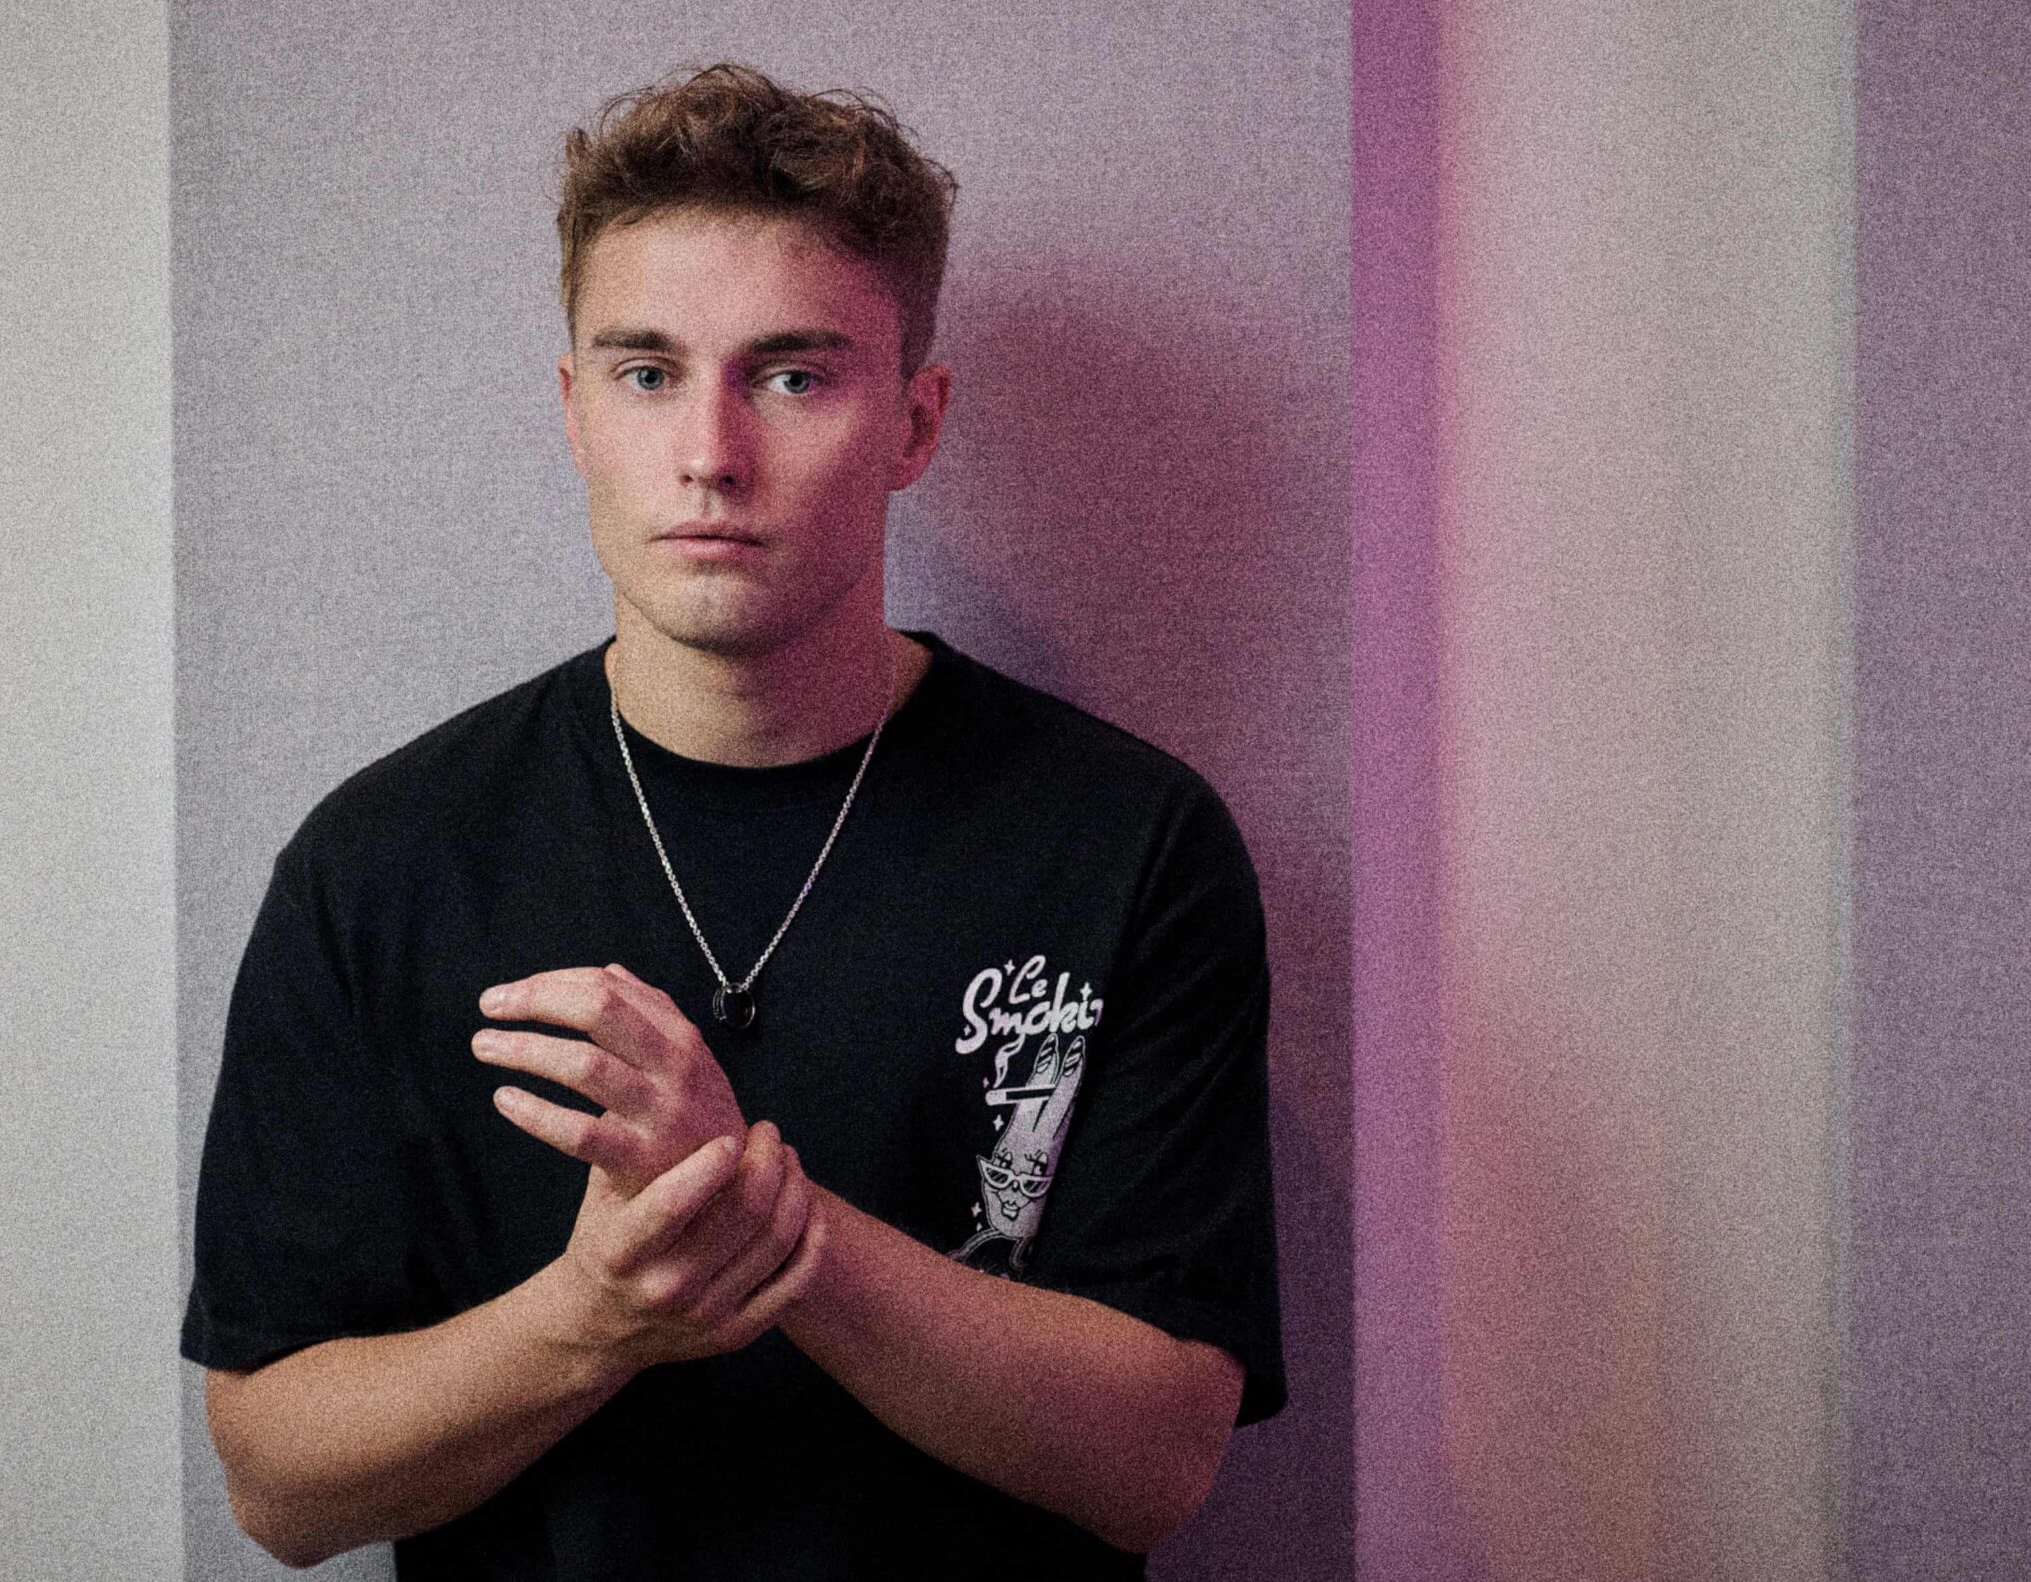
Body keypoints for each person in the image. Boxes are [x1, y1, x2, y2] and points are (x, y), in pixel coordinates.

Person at [183, 62, 1286, 1579]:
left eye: (792, 377)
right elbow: (278, 1484)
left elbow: (1154, 1466)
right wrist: (588, 1321)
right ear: (574, 413)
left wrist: (774, 1230)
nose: (709, 452)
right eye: (646, 373)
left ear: (913, 422)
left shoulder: (1130, 844)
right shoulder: (379, 864)